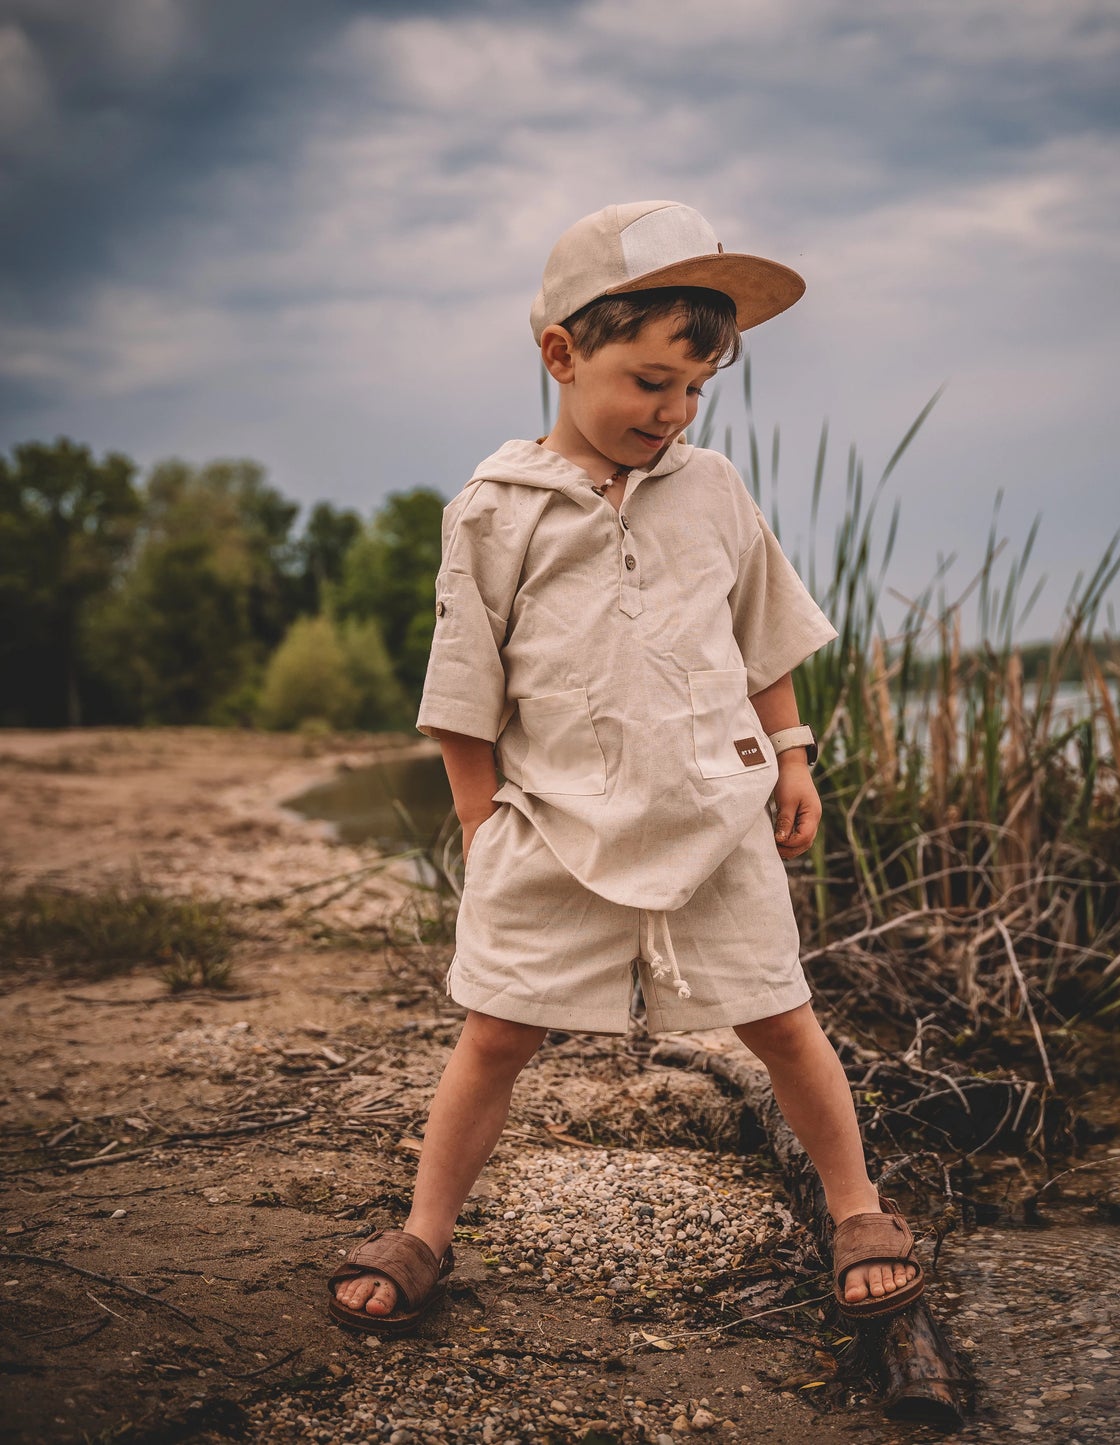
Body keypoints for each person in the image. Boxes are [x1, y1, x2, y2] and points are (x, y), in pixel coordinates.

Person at [328, 200, 925, 1336]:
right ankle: (421, 1230)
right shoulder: (496, 510)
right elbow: (463, 687)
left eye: (694, 387)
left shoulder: (713, 489)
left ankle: (854, 1207)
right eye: (650, 379)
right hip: (550, 825)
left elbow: (763, 637)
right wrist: (479, 818)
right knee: (494, 1032)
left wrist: (792, 756)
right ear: (560, 353)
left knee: (781, 1017)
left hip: (714, 809)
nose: (673, 410)